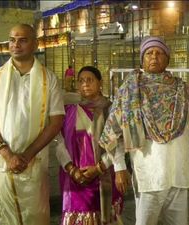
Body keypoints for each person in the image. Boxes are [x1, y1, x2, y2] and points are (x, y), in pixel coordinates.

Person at [0, 24, 64, 225]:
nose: (16, 45)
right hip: (2, 162)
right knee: (5, 216)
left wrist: (27, 155)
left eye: (23, 40)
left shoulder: (48, 79)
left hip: (34, 163)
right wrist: (7, 154)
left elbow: (56, 121)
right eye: (12, 40)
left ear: (35, 44)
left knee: (37, 216)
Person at [99, 36, 189, 225]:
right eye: (149, 53)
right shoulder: (130, 90)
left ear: (167, 59)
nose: (154, 57)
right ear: (142, 59)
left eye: (159, 53)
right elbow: (114, 132)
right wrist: (119, 167)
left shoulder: (181, 89)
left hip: (178, 175)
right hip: (149, 176)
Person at [55, 66, 123, 224]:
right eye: (81, 80)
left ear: (100, 83)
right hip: (74, 179)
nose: (85, 84)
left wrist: (98, 168)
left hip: (103, 176)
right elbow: (59, 142)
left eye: (90, 80)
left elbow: (117, 144)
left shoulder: (110, 110)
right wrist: (71, 169)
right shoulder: (68, 109)